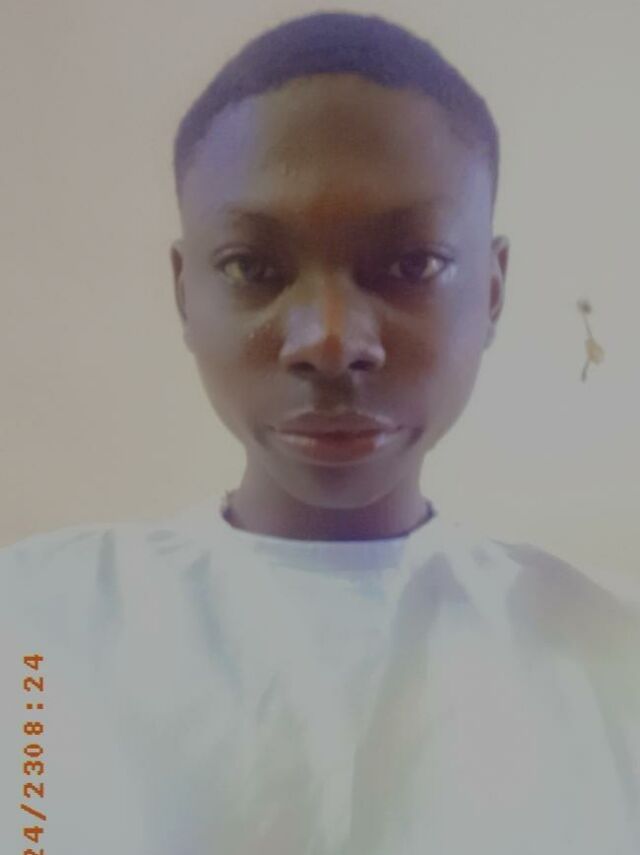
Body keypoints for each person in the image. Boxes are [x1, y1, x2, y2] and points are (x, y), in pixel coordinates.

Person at [1, 11, 639, 854]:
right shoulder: (31, 626)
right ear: (186, 293)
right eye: (251, 267)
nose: (331, 340)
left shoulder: (613, 653)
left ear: (491, 290)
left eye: (412, 264)